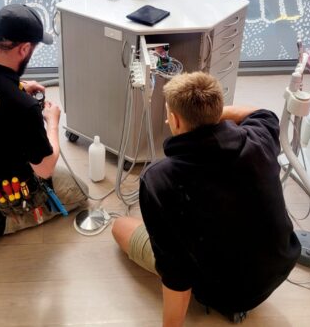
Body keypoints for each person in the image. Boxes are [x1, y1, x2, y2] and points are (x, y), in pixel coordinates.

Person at [112, 72, 300, 325]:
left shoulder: (159, 180)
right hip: (279, 267)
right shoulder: (260, 137)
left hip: (223, 293)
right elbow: (260, 112)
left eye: (168, 114)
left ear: (174, 119)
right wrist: (209, 116)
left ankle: (224, 303)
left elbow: (176, 274)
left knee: (120, 226)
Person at [0, 4, 87, 251]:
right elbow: (45, 169)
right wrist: (53, 122)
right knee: (80, 192)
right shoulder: (23, 107)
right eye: (32, 49)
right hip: (10, 183)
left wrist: (18, 86)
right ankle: (2, 219)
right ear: (23, 49)